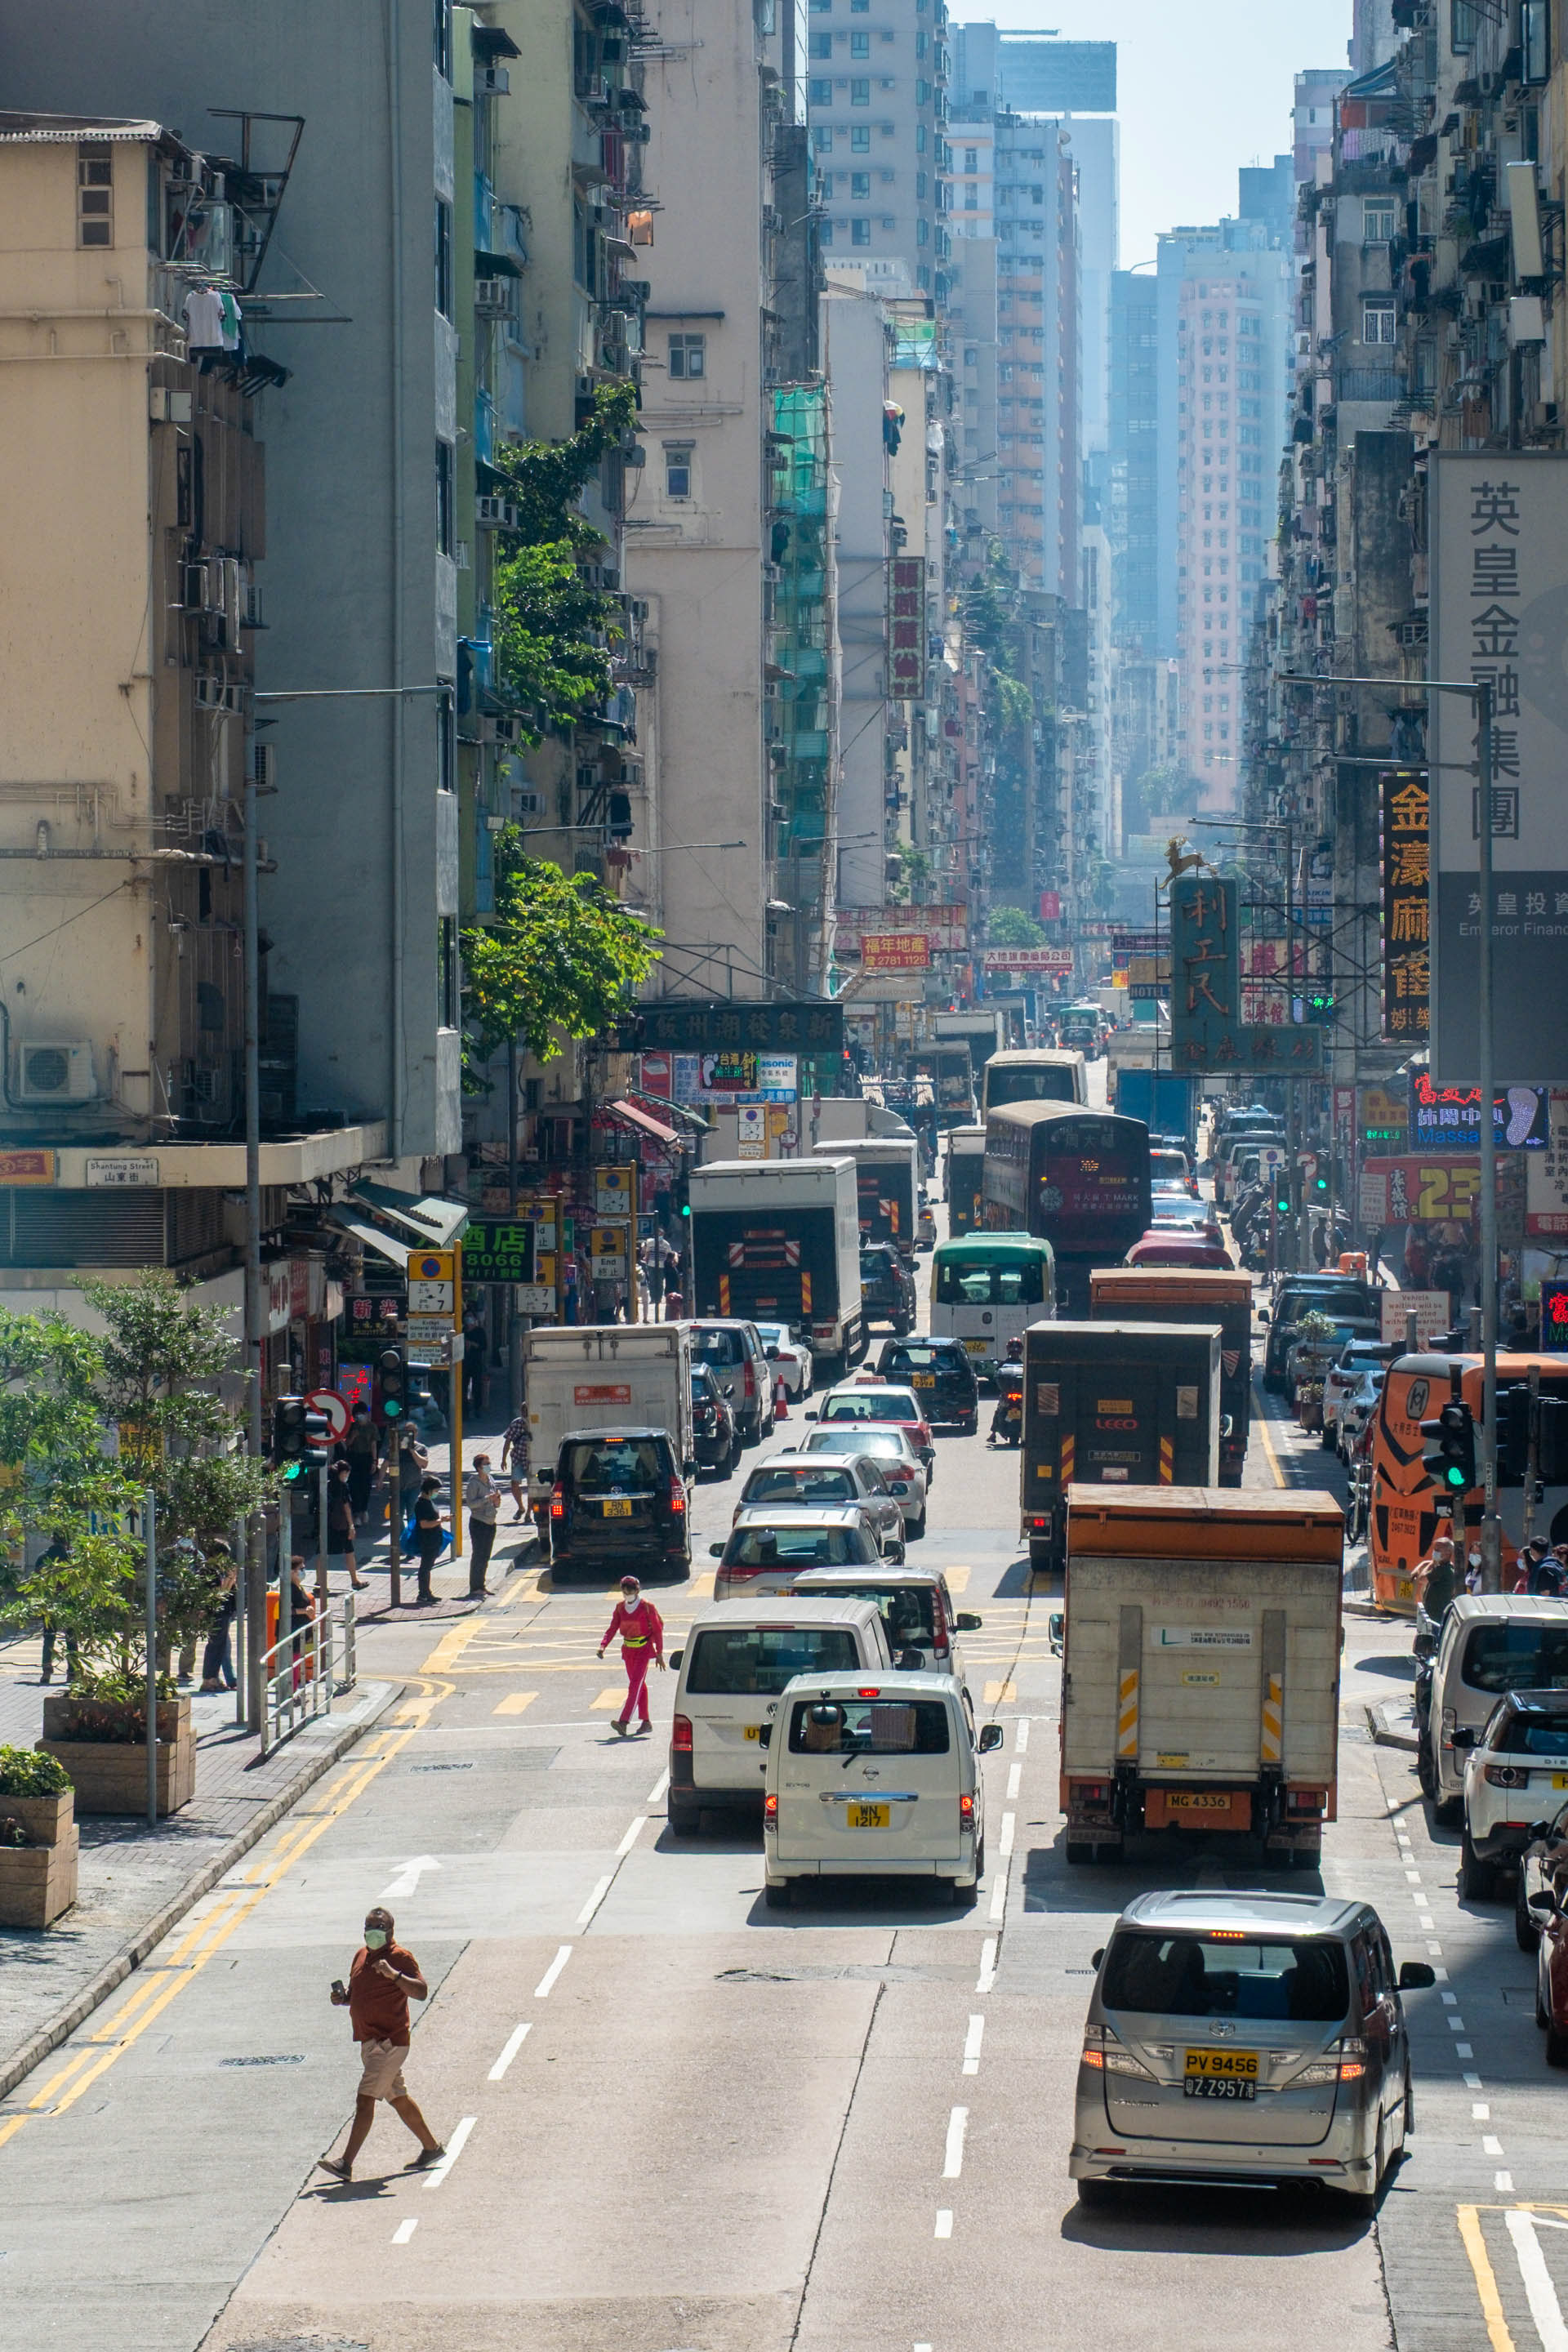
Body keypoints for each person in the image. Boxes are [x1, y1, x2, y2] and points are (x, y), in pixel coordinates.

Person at [318, 1905, 443, 2183]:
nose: (372, 1934)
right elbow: (359, 1994)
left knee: (365, 2100)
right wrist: (344, 1999)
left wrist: (395, 1975)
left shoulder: (400, 1957)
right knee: (397, 2097)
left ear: (390, 1932)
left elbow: (421, 1992)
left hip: (389, 2043)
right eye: (368, 1928)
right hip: (370, 2043)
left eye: (378, 1929)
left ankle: (345, 2163)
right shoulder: (361, 1955)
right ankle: (432, 2148)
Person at [597, 1573, 666, 1736]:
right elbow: (612, 1628)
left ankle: (624, 1722)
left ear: (637, 1590)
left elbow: (657, 1629)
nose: (627, 1595)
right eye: (625, 1592)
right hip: (628, 1651)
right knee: (639, 1686)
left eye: (630, 1591)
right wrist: (603, 1646)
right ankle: (646, 1722)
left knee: (634, 1685)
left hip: (643, 1650)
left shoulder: (647, 1607)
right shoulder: (620, 1608)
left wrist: (660, 1653)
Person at [35, 1534, 79, 1687]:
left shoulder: (42, 1557)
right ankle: (72, 1673)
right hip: (68, 1602)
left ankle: (46, 1672)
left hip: (49, 1603)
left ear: (52, 1539)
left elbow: (36, 1581)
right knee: (71, 1638)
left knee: (49, 1636)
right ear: (66, 1541)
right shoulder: (71, 1557)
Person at [198, 1542, 238, 1693]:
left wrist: (231, 1579)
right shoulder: (207, 1572)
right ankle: (209, 1679)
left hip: (224, 1611)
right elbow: (219, 1594)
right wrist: (229, 1578)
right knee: (215, 1646)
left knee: (221, 1646)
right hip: (215, 1612)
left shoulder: (216, 1570)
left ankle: (215, 1677)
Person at [327, 1460, 369, 1592]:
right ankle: (355, 1581)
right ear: (343, 1472)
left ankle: (319, 1583)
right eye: (346, 1473)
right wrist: (351, 1525)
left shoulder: (326, 1485)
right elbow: (346, 1507)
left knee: (322, 1552)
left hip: (327, 1523)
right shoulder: (343, 1486)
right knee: (349, 1551)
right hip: (342, 1524)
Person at [465, 1453, 501, 1597]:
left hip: (491, 1522)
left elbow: (496, 1501)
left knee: (486, 1555)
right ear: (479, 1467)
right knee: (478, 1555)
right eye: (486, 1464)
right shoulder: (474, 1483)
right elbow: (471, 1504)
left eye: (489, 1463)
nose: (489, 1466)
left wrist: (497, 1500)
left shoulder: (491, 1480)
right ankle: (475, 1587)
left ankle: (482, 1585)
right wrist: (487, 1499)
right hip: (479, 1522)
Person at [412, 1477, 446, 1606]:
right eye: (436, 1490)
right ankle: (423, 1594)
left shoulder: (429, 1502)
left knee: (427, 1567)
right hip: (427, 1540)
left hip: (434, 1539)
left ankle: (427, 1592)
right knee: (425, 1567)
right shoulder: (421, 1504)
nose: (437, 1493)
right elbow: (424, 1524)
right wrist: (441, 1521)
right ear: (429, 1489)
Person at [344, 1405, 379, 1525]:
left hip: (367, 1457)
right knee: (354, 1486)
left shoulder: (372, 1427)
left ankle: (364, 1509)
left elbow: (374, 1445)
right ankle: (356, 1513)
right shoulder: (351, 1427)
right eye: (358, 1414)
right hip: (353, 1458)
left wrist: (374, 1461)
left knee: (366, 1486)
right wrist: (353, 1436)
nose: (360, 1416)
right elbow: (347, 1444)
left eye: (362, 1413)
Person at [1412, 1533, 1459, 1620]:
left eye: (1438, 1550)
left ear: (1448, 1552)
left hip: (1436, 1615)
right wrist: (1422, 1565)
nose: (1435, 1552)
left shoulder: (1443, 1570)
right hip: (1435, 1614)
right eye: (1434, 1549)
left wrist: (1431, 1563)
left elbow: (1422, 1579)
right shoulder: (1446, 1567)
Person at [500, 1410, 530, 1521]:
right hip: (518, 1457)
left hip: (532, 1460)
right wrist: (503, 1459)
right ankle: (521, 1507)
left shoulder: (535, 1423)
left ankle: (529, 1513)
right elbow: (507, 1441)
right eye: (524, 1412)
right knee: (514, 1484)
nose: (525, 1414)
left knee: (532, 1486)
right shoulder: (516, 1423)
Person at [461, 1312, 488, 1417]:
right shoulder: (462, 1331)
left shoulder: (479, 1331)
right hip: (464, 1363)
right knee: (463, 1387)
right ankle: (465, 1411)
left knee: (477, 1386)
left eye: (470, 1316)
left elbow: (484, 1346)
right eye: (467, 1317)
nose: (469, 1319)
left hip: (476, 1363)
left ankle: (477, 1409)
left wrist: (473, 1344)